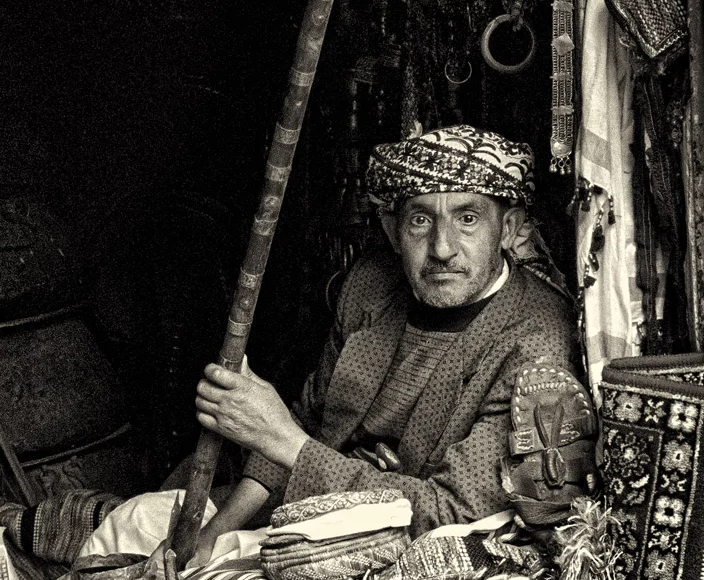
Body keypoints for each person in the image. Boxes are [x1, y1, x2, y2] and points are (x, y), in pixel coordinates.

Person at [188, 123, 586, 555]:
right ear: (393, 230)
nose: (442, 248)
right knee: (142, 524)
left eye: (467, 219)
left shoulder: (537, 340)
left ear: (508, 229)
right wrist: (214, 535)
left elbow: (449, 512)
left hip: (412, 545)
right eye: (421, 220)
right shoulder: (372, 285)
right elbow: (309, 420)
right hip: (307, 506)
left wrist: (284, 440)